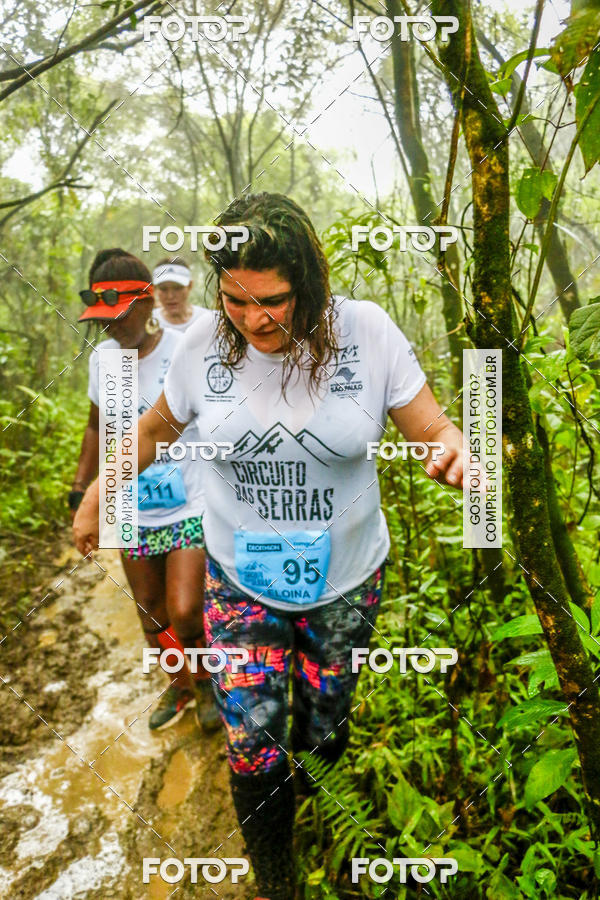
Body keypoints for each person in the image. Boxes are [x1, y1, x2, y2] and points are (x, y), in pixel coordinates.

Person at [73, 195, 464, 900]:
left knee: (323, 726)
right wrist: (102, 489)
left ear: (309, 281)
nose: (255, 320)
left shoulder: (367, 334)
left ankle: (316, 777)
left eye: (275, 301)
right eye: (236, 300)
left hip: (346, 582)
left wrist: (454, 452)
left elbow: (433, 426)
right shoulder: (200, 346)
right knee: (253, 741)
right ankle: (276, 875)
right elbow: (157, 430)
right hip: (238, 582)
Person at [70, 248, 219, 732]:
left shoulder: (183, 350)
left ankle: (209, 685)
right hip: (129, 506)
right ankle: (179, 690)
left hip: (189, 502)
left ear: (148, 302)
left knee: (186, 609)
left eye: (117, 314)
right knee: (153, 614)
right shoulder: (104, 360)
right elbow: (98, 426)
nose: (109, 326)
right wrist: (82, 488)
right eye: (101, 318)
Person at [152, 256, 206, 331]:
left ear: (190, 285)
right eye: (163, 289)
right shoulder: (148, 323)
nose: (170, 296)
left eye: (177, 288)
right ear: (154, 289)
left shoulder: (207, 320)